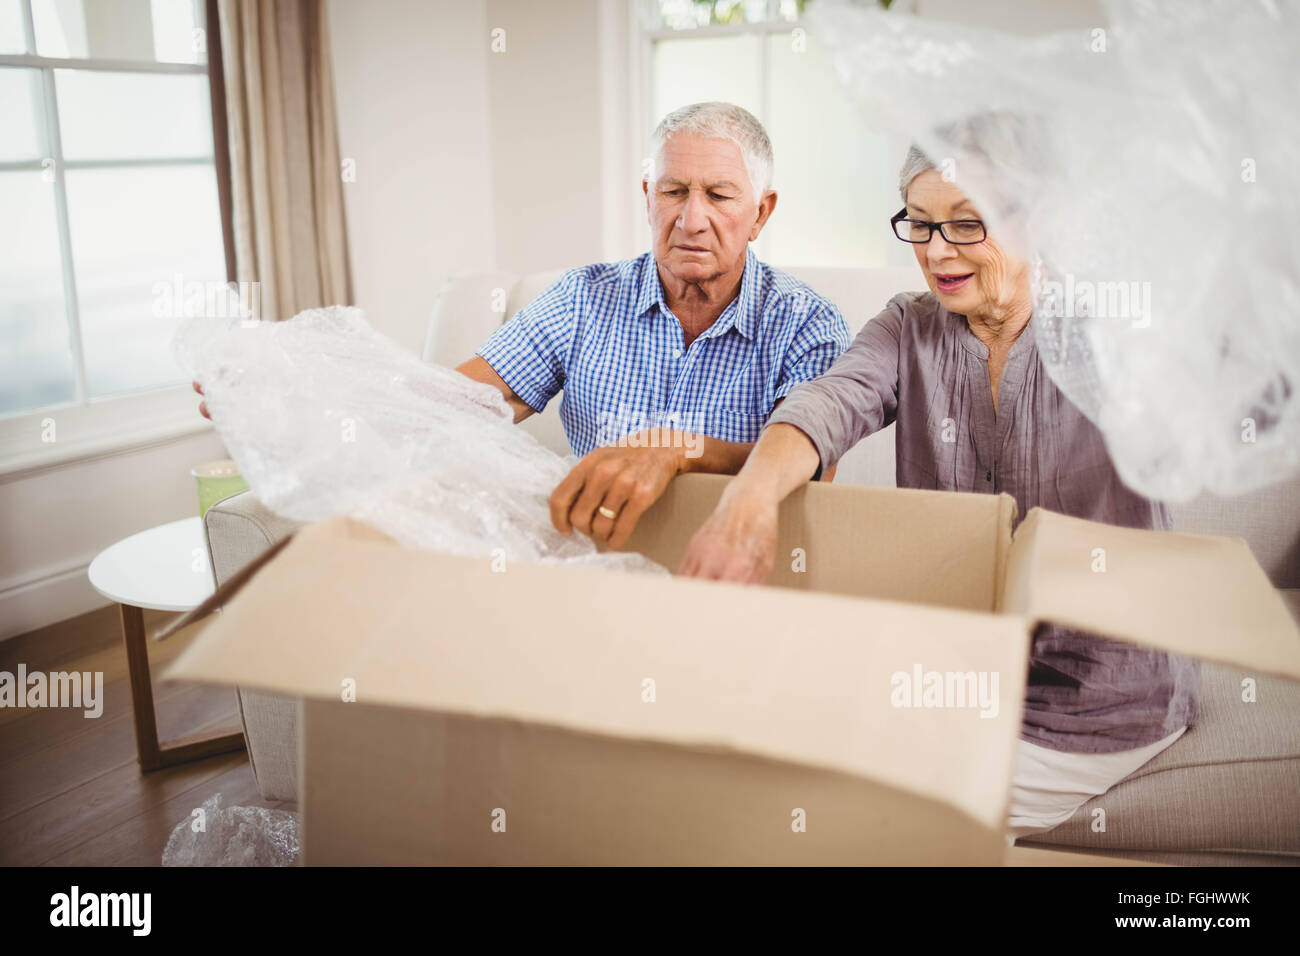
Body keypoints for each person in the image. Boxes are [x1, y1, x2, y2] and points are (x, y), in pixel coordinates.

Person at [677, 123, 1199, 843]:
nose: (936, 251)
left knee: (872, 819)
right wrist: (750, 500)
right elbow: (828, 403)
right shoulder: (908, 328)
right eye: (919, 226)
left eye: (965, 224)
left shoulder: (1111, 329)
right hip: (964, 675)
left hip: (1098, 698)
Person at [198, 101, 850, 551]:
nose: (691, 218)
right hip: (594, 562)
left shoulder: (807, 325)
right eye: (674, 192)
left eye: (719, 194)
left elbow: (813, 473)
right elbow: (455, 406)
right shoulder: (582, 298)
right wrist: (304, 379)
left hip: (733, 573)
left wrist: (676, 449)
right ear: (646, 197)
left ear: (760, 212)